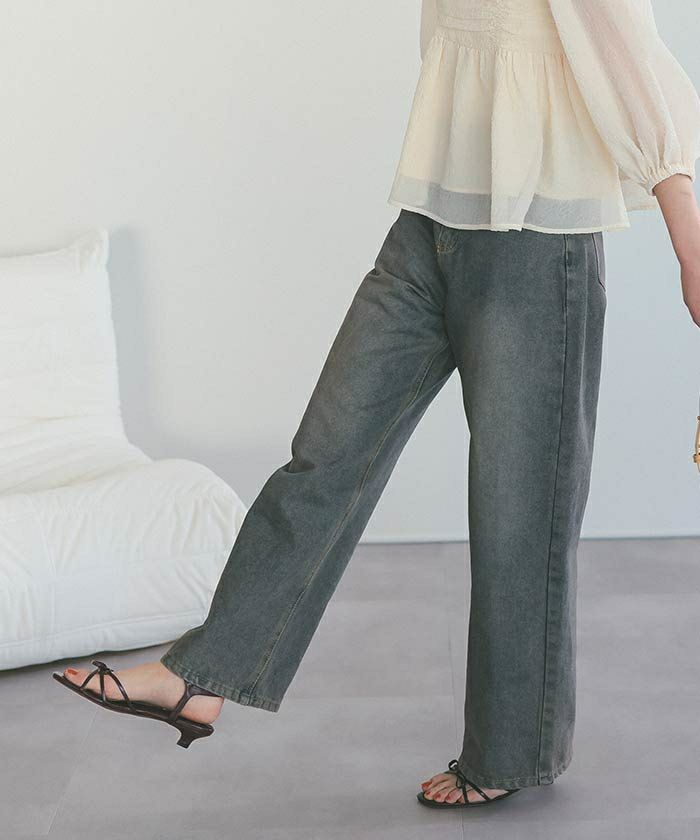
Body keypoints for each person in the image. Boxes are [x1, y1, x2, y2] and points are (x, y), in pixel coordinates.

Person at [55, 0, 700, 810]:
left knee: (519, 511)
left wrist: (689, 241)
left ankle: (510, 750)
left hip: (536, 238)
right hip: (432, 222)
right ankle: (203, 677)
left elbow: (628, 52)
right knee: (329, 452)